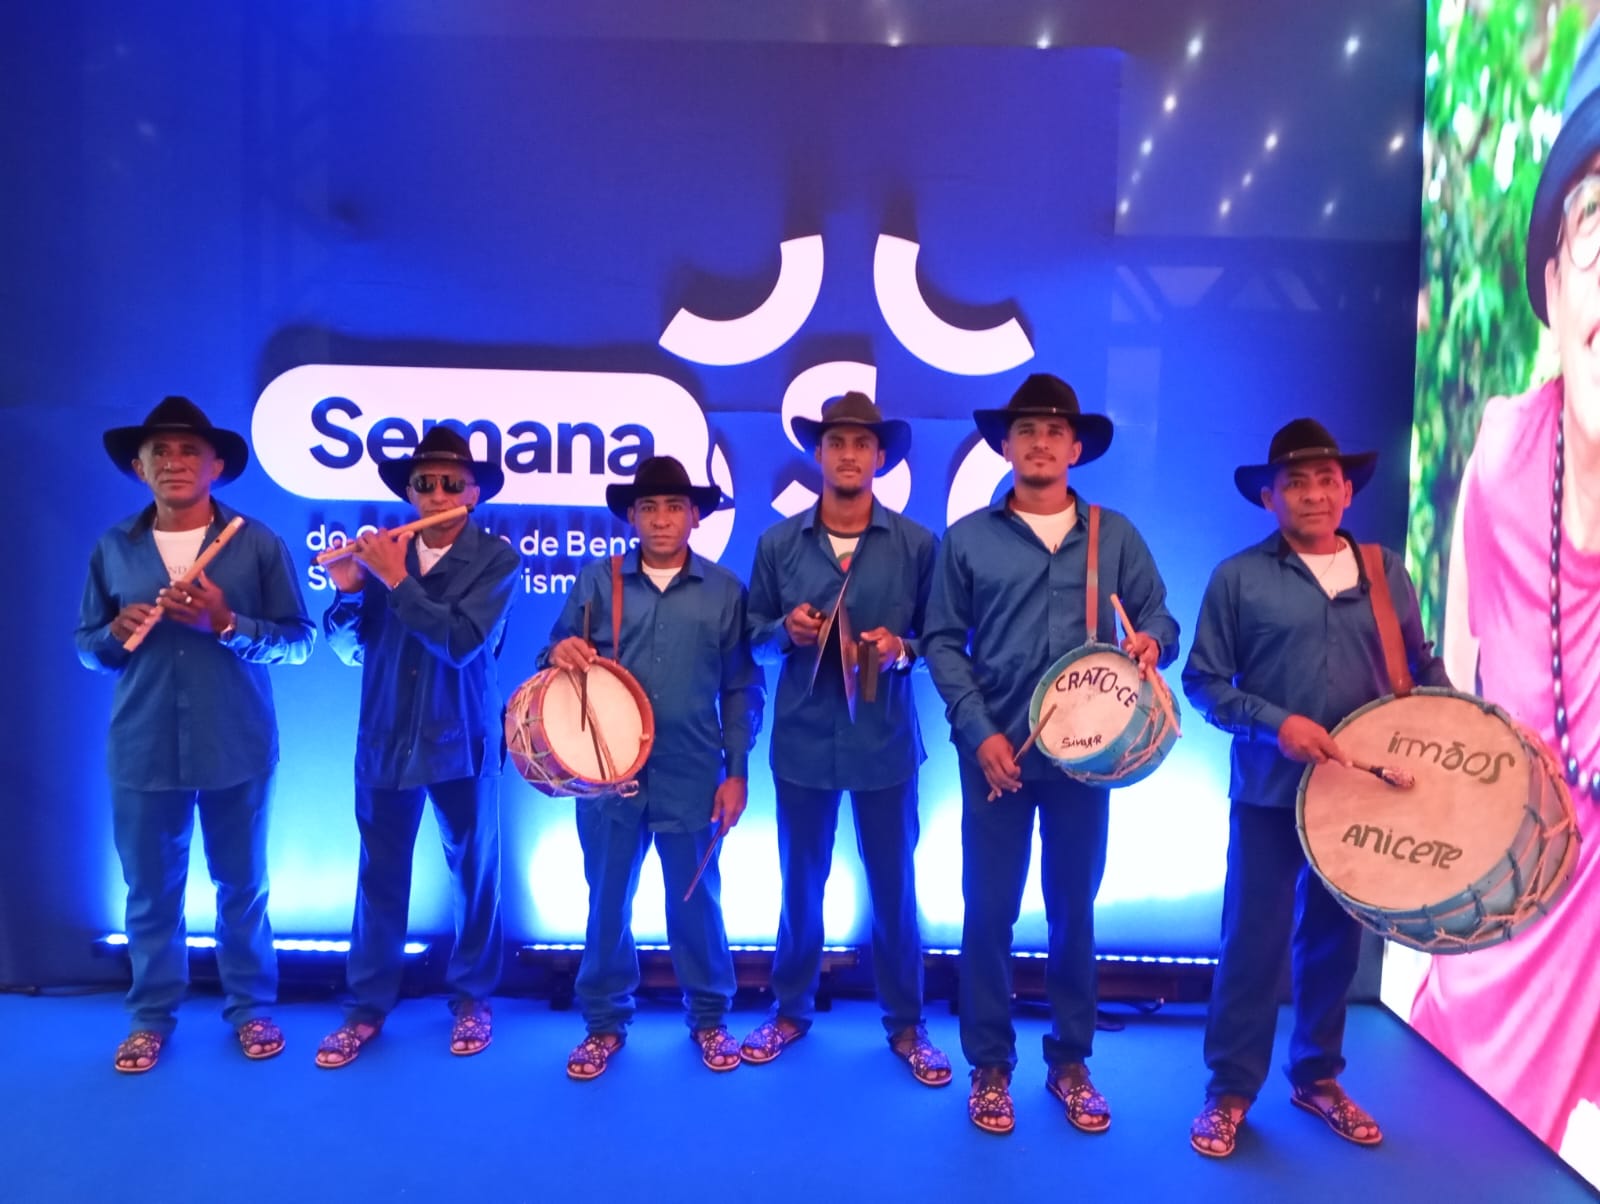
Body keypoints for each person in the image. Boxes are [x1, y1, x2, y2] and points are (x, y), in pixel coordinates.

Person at [1412, 18, 1600, 1158]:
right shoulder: (1500, 466)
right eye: (1599, 226)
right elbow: (1460, 721)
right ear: (1551, 281)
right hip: (1499, 988)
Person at [1181, 418, 1451, 1158]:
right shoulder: (1237, 578)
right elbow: (1203, 683)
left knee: (1335, 942)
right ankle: (1229, 1092)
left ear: (1347, 491)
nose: (1313, 494)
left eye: (1326, 480)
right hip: (1268, 792)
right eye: (1294, 482)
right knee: (1252, 943)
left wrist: (1462, 733)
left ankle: (1317, 1078)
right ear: (1268, 497)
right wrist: (1277, 724)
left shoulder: (1384, 572)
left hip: (1361, 796)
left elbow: (1422, 670)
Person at [922, 373, 1179, 1136]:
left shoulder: (1114, 535)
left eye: (1054, 431)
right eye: (1026, 430)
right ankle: (989, 1067)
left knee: (1073, 911)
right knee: (988, 912)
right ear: (1005, 445)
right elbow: (942, 642)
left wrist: (1150, 641)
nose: (1040, 442)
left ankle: (1070, 1062)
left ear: (1075, 448)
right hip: (995, 756)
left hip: (1085, 761)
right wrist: (981, 733)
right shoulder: (967, 539)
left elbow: (1162, 619)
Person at [76, 395, 315, 1073]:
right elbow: (87, 647)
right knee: (150, 892)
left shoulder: (256, 542)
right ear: (139, 466)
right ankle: (150, 1018)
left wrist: (227, 623)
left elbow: (299, 642)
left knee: (243, 887)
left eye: (189, 450)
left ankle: (251, 1008)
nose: (173, 461)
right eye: (160, 451)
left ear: (216, 466)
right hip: (142, 744)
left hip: (237, 743)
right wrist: (111, 635)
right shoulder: (114, 548)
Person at [735, 392, 948, 1085]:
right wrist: (784, 633)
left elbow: (943, 639)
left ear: (880, 457)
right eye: (836, 443)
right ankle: (790, 1011)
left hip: (885, 743)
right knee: (799, 885)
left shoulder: (916, 545)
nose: (849, 455)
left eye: (861, 444)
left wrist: (901, 649)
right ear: (817, 454)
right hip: (802, 741)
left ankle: (907, 1023)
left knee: (895, 888)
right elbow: (750, 641)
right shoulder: (777, 544)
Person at [543, 455, 763, 1079]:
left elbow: (741, 688)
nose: (661, 519)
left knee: (697, 903)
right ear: (632, 517)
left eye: (673, 507)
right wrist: (559, 650)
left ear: (694, 516)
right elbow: (550, 658)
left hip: (693, 771)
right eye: (648, 508)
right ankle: (603, 1023)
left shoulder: (725, 591)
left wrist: (737, 770)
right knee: (607, 901)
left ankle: (710, 1019)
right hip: (607, 776)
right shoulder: (597, 582)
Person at [315, 426, 519, 1068]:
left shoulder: (497, 560)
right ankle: (366, 1007)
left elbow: (460, 643)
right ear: (410, 492)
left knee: (474, 873)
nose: (437, 493)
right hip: (385, 737)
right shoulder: (385, 553)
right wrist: (349, 591)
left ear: (474, 493)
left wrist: (395, 579)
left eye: (451, 483)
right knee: (378, 876)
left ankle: (473, 998)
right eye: (424, 483)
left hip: (462, 738)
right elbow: (348, 649)